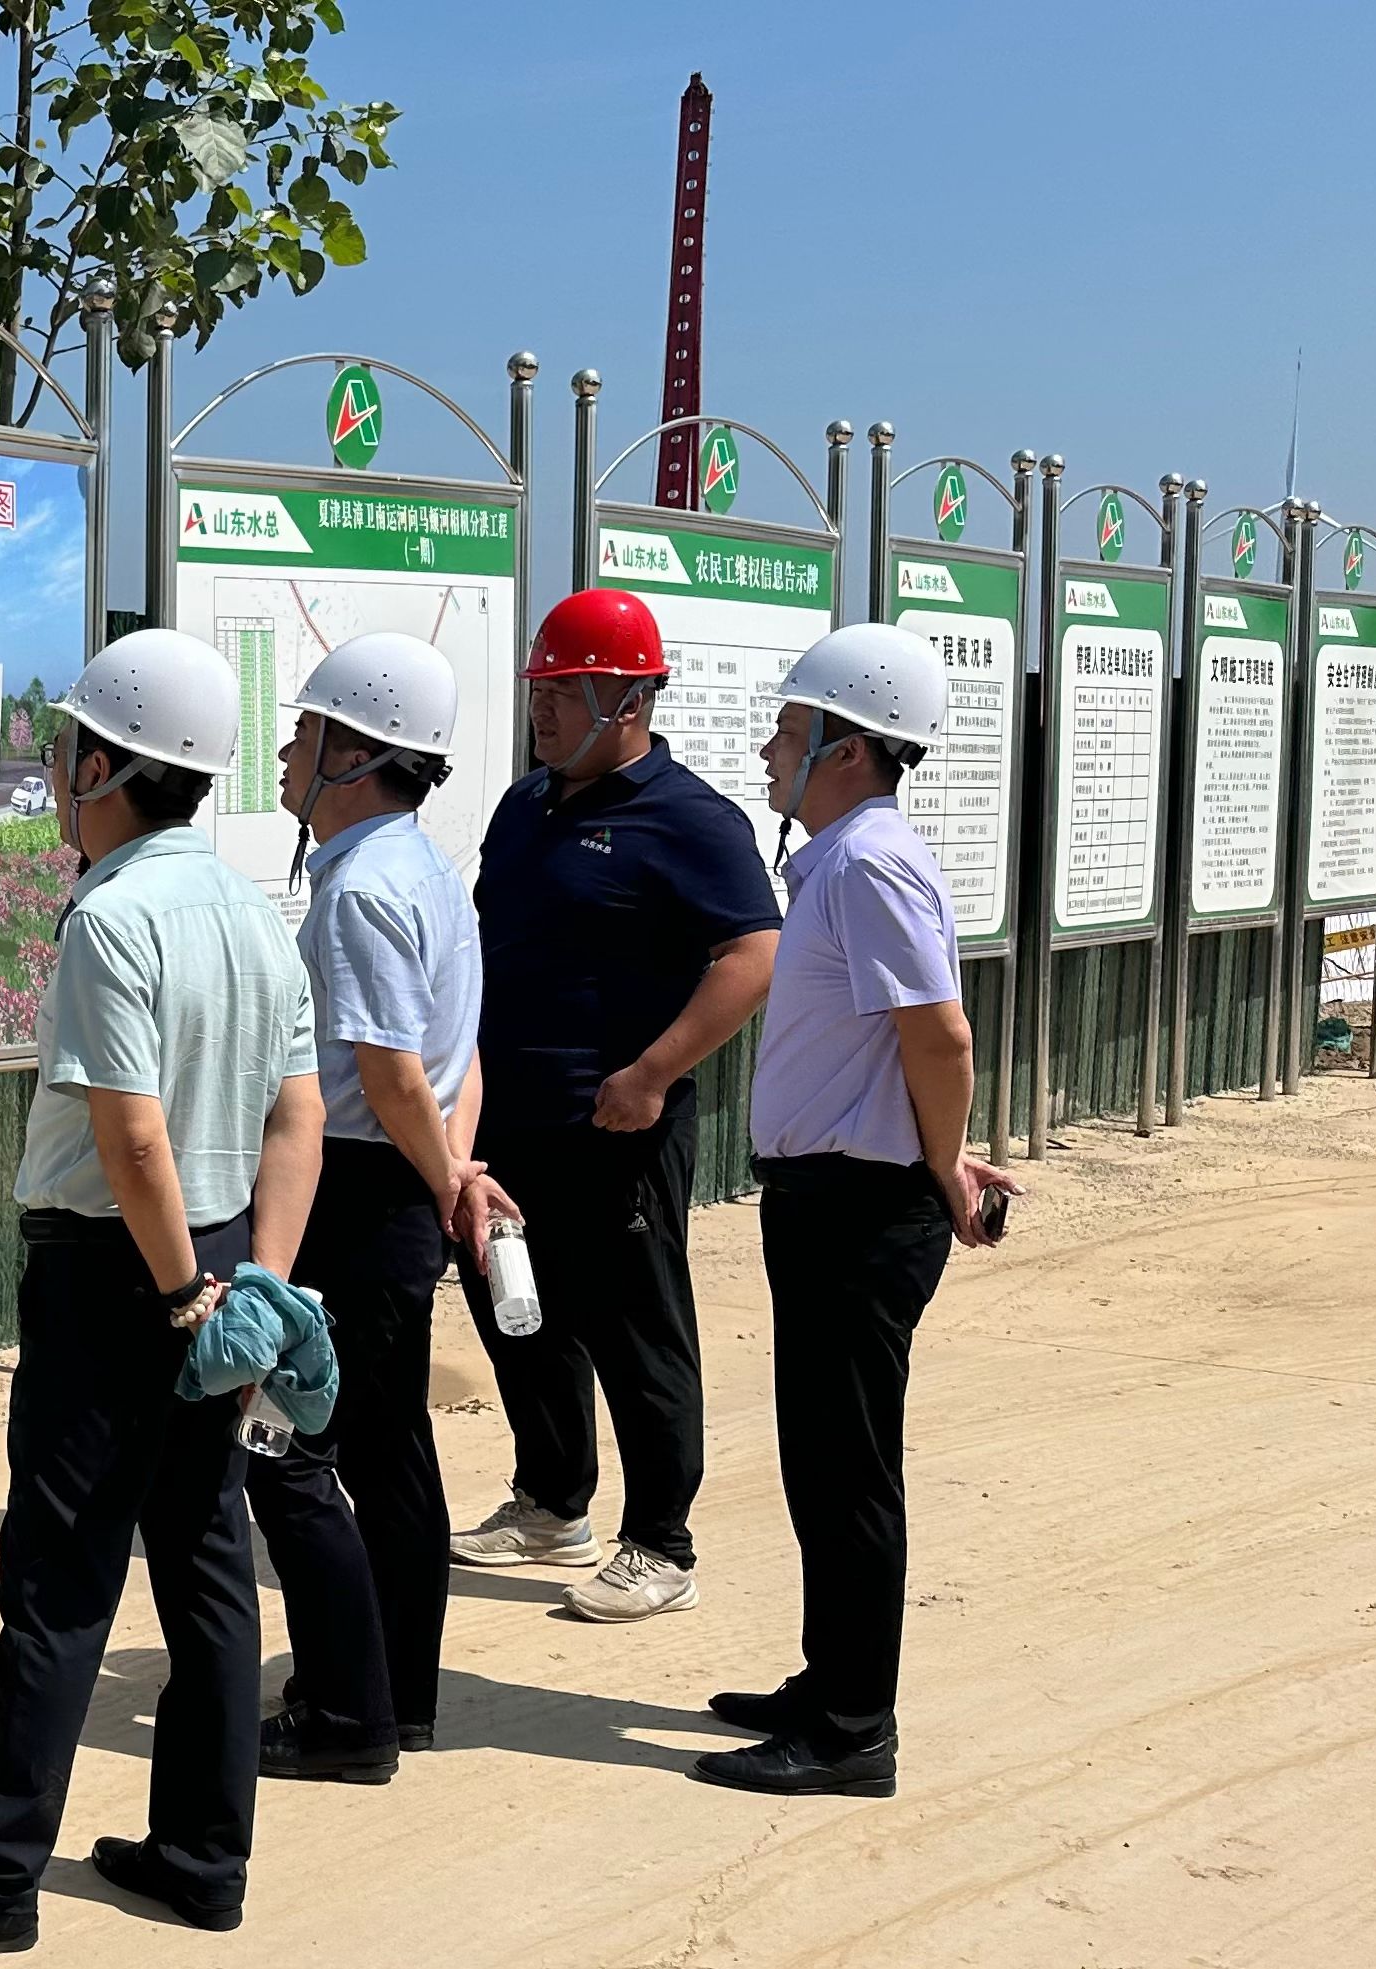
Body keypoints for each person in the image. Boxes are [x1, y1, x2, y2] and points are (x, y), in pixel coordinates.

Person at [0, 629, 322, 1955]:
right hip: (220, 1253)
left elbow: (132, 1137)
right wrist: (254, 1287)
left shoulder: (111, 916)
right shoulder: (250, 912)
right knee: (206, 1558)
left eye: (63, 748)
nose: (51, 769)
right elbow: (296, 1115)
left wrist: (182, 1297)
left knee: (59, 1576)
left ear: (102, 766)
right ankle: (202, 1857)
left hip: (120, 1274)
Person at [695, 623, 1020, 1799]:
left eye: (787, 729)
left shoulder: (867, 863)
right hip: (828, 1197)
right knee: (820, 1457)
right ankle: (826, 1680)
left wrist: (940, 1167)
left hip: (861, 1207)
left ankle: (849, 1730)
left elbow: (938, 1035)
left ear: (845, 746)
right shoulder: (841, 860)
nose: (768, 749)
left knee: (846, 1468)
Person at [449, 588, 780, 1623]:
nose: (540, 708)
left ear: (629, 700)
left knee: (637, 1332)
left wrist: (652, 1072)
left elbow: (752, 954)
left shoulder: (691, 819)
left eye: (564, 689)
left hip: (616, 1129)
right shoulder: (524, 805)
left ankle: (661, 1543)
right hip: (508, 1123)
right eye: (538, 689)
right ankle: (553, 1501)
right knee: (518, 1314)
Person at [242, 631, 481, 1786]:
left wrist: (442, 1181)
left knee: (289, 1449)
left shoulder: (364, 889)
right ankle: (396, 1694)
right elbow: (458, 1056)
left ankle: (348, 1712)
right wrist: (454, 1170)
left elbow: (387, 1072)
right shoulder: (420, 868)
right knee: (389, 1450)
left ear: (354, 752)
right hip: (400, 1179)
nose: (288, 751)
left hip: (359, 1183)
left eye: (305, 731)